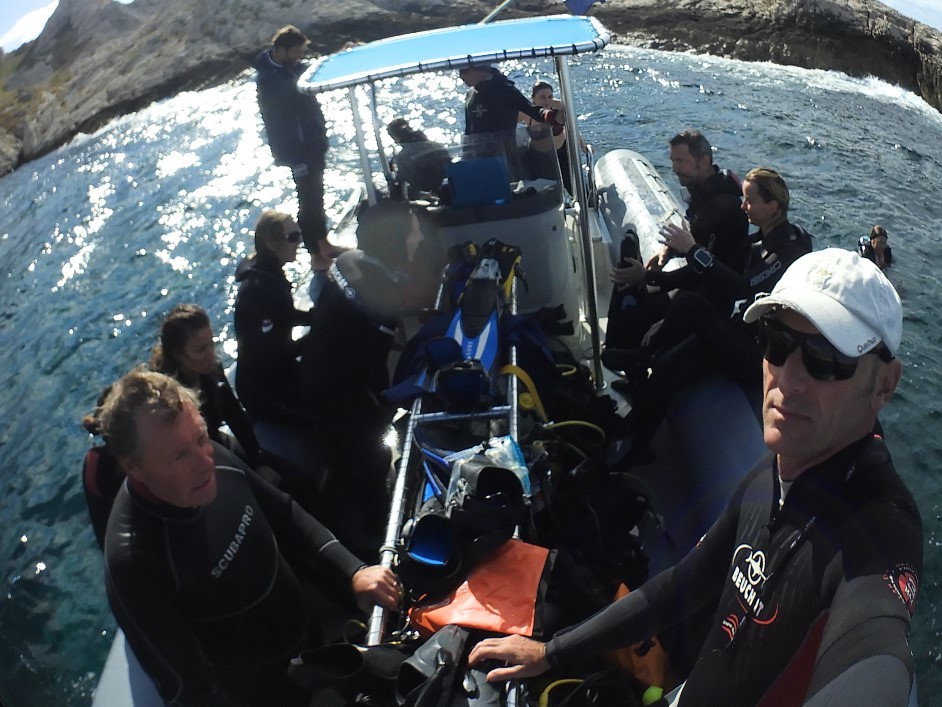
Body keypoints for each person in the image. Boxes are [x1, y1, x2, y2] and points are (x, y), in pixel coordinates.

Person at [469, 248, 922, 706]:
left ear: (884, 384)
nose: (789, 378)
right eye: (777, 342)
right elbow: (681, 585)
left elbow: (876, 655)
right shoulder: (774, 472)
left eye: (825, 358)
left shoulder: (879, 527)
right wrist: (552, 652)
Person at [99, 369, 400, 706]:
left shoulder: (210, 455)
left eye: (200, 437)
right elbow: (186, 687)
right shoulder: (134, 560)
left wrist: (354, 571)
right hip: (266, 693)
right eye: (179, 456)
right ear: (133, 466)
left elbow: (285, 514)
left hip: (313, 640)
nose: (204, 462)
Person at [607, 168, 813, 466]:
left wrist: (692, 249)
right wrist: (659, 281)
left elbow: (743, 287)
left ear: (773, 206)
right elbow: (714, 278)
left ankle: (644, 356)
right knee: (666, 370)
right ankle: (639, 444)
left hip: (757, 353)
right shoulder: (756, 243)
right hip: (737, 334)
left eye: (750, 200)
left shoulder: (788, 249)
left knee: (689, 305)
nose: (743, 206)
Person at [605, 130, 750, 351]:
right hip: (693, 288)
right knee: (629, 304)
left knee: (630, 325)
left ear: (703, 161)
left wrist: (649, 277)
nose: (674, 168)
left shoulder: (725, 208)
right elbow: (698, 240)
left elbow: (703, 272)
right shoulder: (704, 194)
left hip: (708, 300)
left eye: (680, 161)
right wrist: (668, 251)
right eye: (673, 161)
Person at [254, 25, 345, 268]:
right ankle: (316, 255)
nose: (300, 56)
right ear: (281, 50)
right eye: (297, 51)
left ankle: (324, 243)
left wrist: (336, 58)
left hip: (312, 144)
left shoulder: (291, 68)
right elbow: (292, 94)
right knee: (308, 200)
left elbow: (314, 71)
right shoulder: (268, 79)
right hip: (297, 149)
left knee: (317, 195)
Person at [233, 209, 314, 423]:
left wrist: (318, 318)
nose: (299, 241)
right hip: (265, 391)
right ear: (271, 243)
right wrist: (316, 335)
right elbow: (273, 355)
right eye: (293, 237)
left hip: (280, 370)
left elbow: (284, 316)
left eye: (300, 233)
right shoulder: (259, 291)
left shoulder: (270, 272)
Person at [518, 80, 575, 191]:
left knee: (571, 185)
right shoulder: (525, 113)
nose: (547, 101)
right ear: (533, 98)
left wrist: (582, 145)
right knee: (536, 190)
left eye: (550, 97)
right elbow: (507, 123)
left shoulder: (559, 107)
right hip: (538, 156)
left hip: (561, 152)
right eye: (542, 97)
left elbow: (572, 127)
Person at [386, 118, 451, 198]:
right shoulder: (437, 146)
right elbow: (449, 167)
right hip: (449, 189)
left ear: (396, 137)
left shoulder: (402, 157)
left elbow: (405, 180)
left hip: (429, 195)